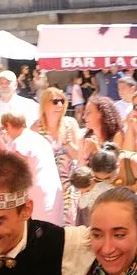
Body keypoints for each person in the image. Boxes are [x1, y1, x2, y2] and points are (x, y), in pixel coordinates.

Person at [2, 110, 64, 226]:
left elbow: (14, 173)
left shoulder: (19, 142)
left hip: (38, 197)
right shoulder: (38, 138)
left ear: (8, 125)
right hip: (52, 193)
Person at [33, 87, 82, 224]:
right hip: (47, 185)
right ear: (44, 104)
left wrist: (68, 144)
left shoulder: (70, 124)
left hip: (70, 185)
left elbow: (78, 156)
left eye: (62, 101)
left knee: (71, 222)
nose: (59, 105)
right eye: (55, 101)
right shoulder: (35, 128)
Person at [81, 95, 124, 161]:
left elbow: (114, 163)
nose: (84, 117)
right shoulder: (86, 138)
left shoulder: (117, 136)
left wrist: (96, 150)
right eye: (84, 113)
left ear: (101, 113)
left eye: (88, 112)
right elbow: (80, 164)